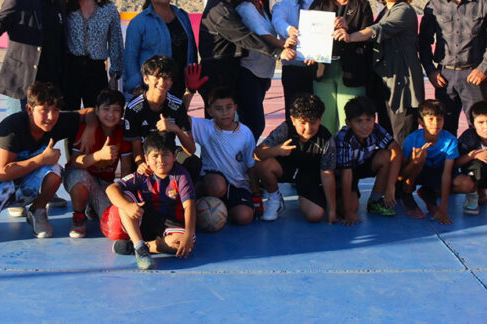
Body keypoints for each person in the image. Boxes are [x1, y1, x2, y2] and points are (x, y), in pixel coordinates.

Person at [0, 82, 95, 238]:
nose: (51, 116)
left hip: (28, 178)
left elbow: (90, 112)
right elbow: (3, 172)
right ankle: (12, 204)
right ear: (29, 109)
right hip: (0, 180)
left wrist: (90, 129)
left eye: (55, 110)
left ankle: (37, 210)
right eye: (44, 110)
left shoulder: (57, 121)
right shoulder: (11, 128)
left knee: (54, 170)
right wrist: (41, 159)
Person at [335, 0, 424, 144]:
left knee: (401, 139)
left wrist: (350, 36)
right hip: (385, 84)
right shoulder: (385, 11)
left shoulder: (404, 10)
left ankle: (404, 172)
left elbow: (377, 31)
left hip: (401, 84)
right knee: (387, 137)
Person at [419, 0, 487, 134]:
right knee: (445, 127)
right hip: (445, 76)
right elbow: (424, 42)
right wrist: (431, 71)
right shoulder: (434, 6)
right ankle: (450, 162)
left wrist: (483, 68)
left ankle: (477, 161)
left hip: (474, 75)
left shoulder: (484, 3)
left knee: (479, 126)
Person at [199, 0, 294, 109]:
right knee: (222, 121)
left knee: (231, 122)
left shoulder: (229, 6)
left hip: (230, 71)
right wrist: (278, 51)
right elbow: (244, 36)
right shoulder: (219, 10)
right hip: (218, 74)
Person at [102, 132, 196, 270]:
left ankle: (139, 247)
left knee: (182, 244)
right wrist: (127, 206)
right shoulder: (143, 174)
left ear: (174, 156)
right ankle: (139, 246)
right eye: (155, 156)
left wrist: (188, 234)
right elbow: (111, 188)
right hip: (145, 219)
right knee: (124, 199)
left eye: (165, 155)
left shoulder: (180, 175)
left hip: (171, 223)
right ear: (146, 158)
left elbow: (189, 206)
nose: (161, 160)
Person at [309, 0, 373, 134]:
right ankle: (327, 159)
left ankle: (350, 159)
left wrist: (349, 30)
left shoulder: (363, 5)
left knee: (352, 121)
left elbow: (369, 37)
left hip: (352, 71)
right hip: (323, 70)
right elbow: (310, 34)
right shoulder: (318, 4)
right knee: (325, 122)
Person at [255, 93, 338, 224]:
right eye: (303, 122)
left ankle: (311, 195)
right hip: (285, 169)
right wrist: (276, 150)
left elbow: (327, 174)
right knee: (261, 162)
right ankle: (275, 198)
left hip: (308, 176)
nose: (308, 128)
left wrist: (332, 209)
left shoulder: (326, 139)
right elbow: (257, 153)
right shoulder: (285, 129)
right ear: (293, 120)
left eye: (313, 122)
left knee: (315, 216)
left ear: (320, 119)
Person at [235, 0, 296, 140]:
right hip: (249, 73)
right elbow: (262, 34)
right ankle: (243, 160)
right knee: (255, 123)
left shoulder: (263, 8)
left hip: (262, 74)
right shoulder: (245, 7)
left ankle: (243, 158)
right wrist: (284, 46)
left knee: (249, 124)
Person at [63, 89, 133, 238]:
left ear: (121, 113)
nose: (110, 114)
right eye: (106, 109)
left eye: (116, 110)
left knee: (115, 219)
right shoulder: (86, 129)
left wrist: (123, 194)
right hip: (79, 175)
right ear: (96, 110)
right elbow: (75, 162)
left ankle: (93, 206)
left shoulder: (122, 132)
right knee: (81, 178)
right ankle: (79, 216)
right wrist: (98, 156)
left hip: (104, 182)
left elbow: (126, 168)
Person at [123, 0, 197, 106]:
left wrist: (191, 85)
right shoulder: (139, 22)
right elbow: (130, 57)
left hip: (179, 88)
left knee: (177, 126)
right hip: (152, 90)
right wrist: (137, 87)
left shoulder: (183, 17)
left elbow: (190, 49)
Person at [190, 87, 257, 225]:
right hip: (213, 180)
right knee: (217, 186)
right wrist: (189, 92)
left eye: (229, 107)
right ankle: (198, 193)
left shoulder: (245, 133)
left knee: (244, 217)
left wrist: (256, 193)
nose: (225, 113)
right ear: (209, 111)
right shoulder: (205, 127)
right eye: (218, 109)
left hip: (237, 184)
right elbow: (181, 117)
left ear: (235, 108)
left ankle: (224, 208)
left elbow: (251, 165)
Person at [123, 55, 197, 180]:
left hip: (168, 155)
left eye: (166, 77)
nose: (162, 82)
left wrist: (176, 129)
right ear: (146, 79)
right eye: (157, 77)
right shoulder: (133, 108)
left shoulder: (177, 105)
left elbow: (191, 150)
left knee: (194, 163)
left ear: (172, 81)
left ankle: (191, 195)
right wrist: (140, 163)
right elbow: (135, 147)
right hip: (146, 156)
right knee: (132, 168)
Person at [62, 0, 124, 108]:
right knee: (69, 117)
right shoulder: (64, 7)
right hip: (69, 70)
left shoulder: (109, 10)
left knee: (97, 116)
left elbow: (116, 43)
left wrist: (114, 75)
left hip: (96, 71)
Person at [334, 96, 402, 224]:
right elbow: (346, 174)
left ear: (374, 119)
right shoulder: (344, 138)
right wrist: (348, 212)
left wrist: (391, 185)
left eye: (368, 120)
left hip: (359, 165)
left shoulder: (375, 129)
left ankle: (375, 201)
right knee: (351, 208)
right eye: (359, 121)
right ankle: (333, 197)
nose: (365, 126)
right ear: (348, 123)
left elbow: (396, 150)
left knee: (386, 156)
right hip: (342, 174)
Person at [399, 99, 458, 223]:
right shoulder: (412, 139)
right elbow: (401, 176)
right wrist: (414, 161)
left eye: (439, 119)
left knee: (466, 184)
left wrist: (443, 207)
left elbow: (447, 174)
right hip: (417, 174)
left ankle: (429, 192)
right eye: (430, 119)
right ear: (421, 121)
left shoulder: (450, 140)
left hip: (437, 174)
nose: (435, 123)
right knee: (421, 156)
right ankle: (407, 195)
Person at [272, 0, 315, 119]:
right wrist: (289, 30)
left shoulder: (318, 4)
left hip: (316, 69)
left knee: (316, 113)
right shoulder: (279, 6)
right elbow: (278, 22)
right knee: (293, 114)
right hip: (293, 69)